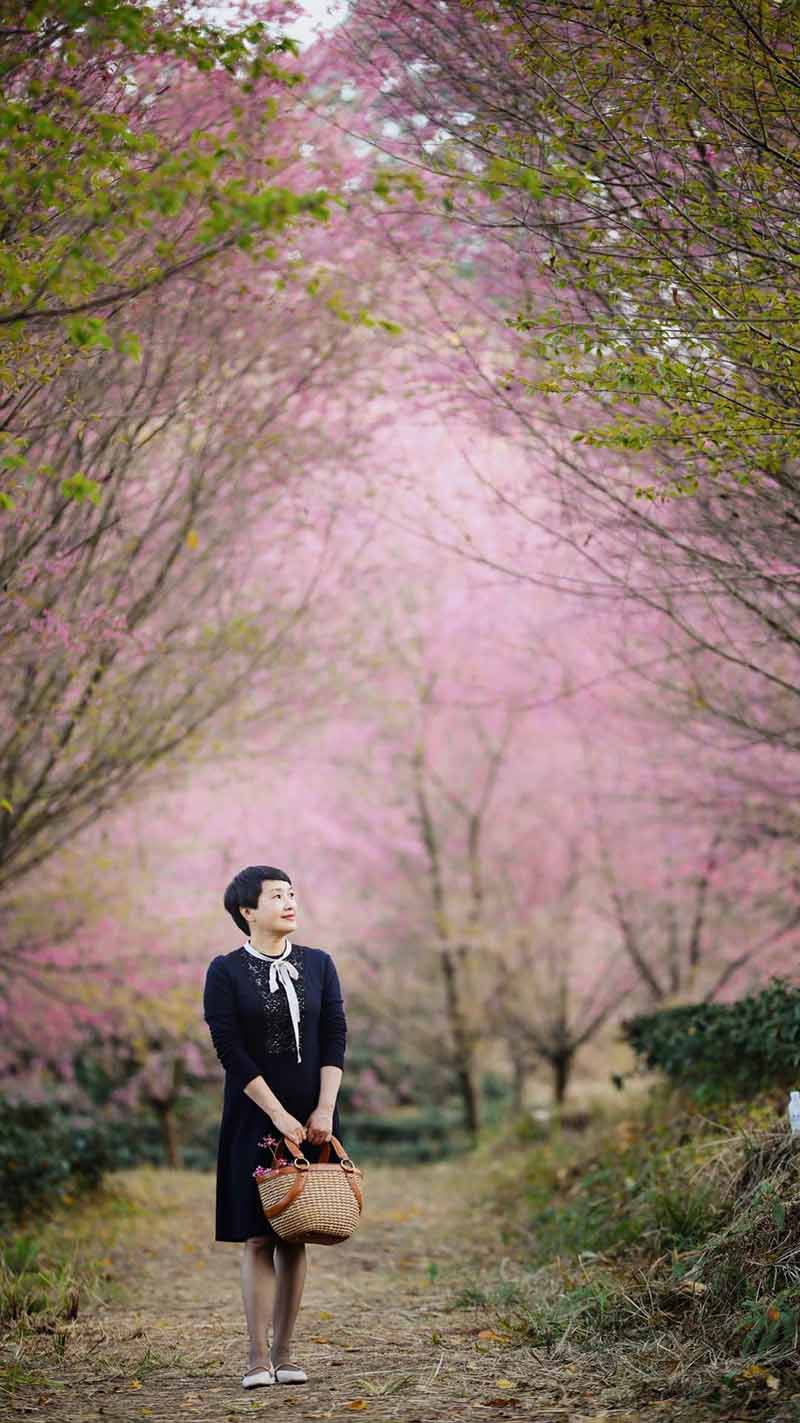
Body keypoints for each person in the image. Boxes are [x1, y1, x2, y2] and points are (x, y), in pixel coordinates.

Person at [203, 864, 347, 1390]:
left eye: (292, 894)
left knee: (297, 1231)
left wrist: (324, 1110)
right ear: (247, 910)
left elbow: (334, 1037)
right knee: (260, 1237)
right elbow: (230, 1051)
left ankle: (287, 1352)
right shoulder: (225, 971)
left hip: (314, 1115)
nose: (290, 903)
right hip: (254, 1117)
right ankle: (256, 1356)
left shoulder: (320, 964)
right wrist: (277, 1114)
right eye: (277, 896)